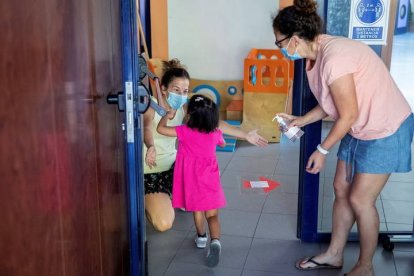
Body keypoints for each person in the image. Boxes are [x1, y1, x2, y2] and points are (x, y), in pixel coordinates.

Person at [272, 1, 414, 276]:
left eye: (280, 43)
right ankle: (334, 255)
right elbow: (332, 103)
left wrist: (322, 150)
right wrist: (300, 120)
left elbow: (347, 114)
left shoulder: (335, 57)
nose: (280, 50)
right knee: (341, 188)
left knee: (361, 199)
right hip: (359, 126)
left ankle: (365, 266)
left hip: (386, 128)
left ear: (295, 39)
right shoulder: (315, 55)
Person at [143, 59, 268, 232]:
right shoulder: (150, 105)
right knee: (163, 224)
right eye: (176, 90)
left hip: (176, 167)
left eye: (185, 91)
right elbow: (147, 128)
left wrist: (245, 134)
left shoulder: (184, 108)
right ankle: (143, 199)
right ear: (163, 89)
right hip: (152, 171)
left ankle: (169, 195)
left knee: (194, 204)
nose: (181, 95)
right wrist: (151, 146)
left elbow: (214, 122)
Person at [157, 94, 225, 267]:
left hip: (192, 179)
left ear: (189, 116)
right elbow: (222, 143)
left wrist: (166, 115)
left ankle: (201, 237)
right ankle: (215, 241)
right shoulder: (215, 132)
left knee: (197, 209)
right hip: (210, 179)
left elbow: (161, 129)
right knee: (212, 214)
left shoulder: (183, 131)